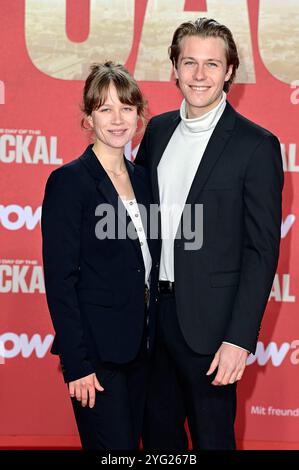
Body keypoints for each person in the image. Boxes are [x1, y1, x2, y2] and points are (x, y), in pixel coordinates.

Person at [135, 18, 283, 450]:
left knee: (212, 440)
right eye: (190, 63)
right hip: (151, 321)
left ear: (230, 71)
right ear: (174, 69)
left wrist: (239, 339)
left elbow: (261, 251)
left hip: (212, 331)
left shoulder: (256, 145)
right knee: (158, 441)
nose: (200, 75)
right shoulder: (157, 131)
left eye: (212, 64)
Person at [41, 62, 159, 450]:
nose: (117, 119)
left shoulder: (143, 178)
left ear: (138, 114)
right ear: (88, 116)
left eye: (126, 107)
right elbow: (60, 282)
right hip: (96, 360)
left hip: (143, 352)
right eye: (105, 108)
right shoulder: (69, 182)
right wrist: (77, 365)